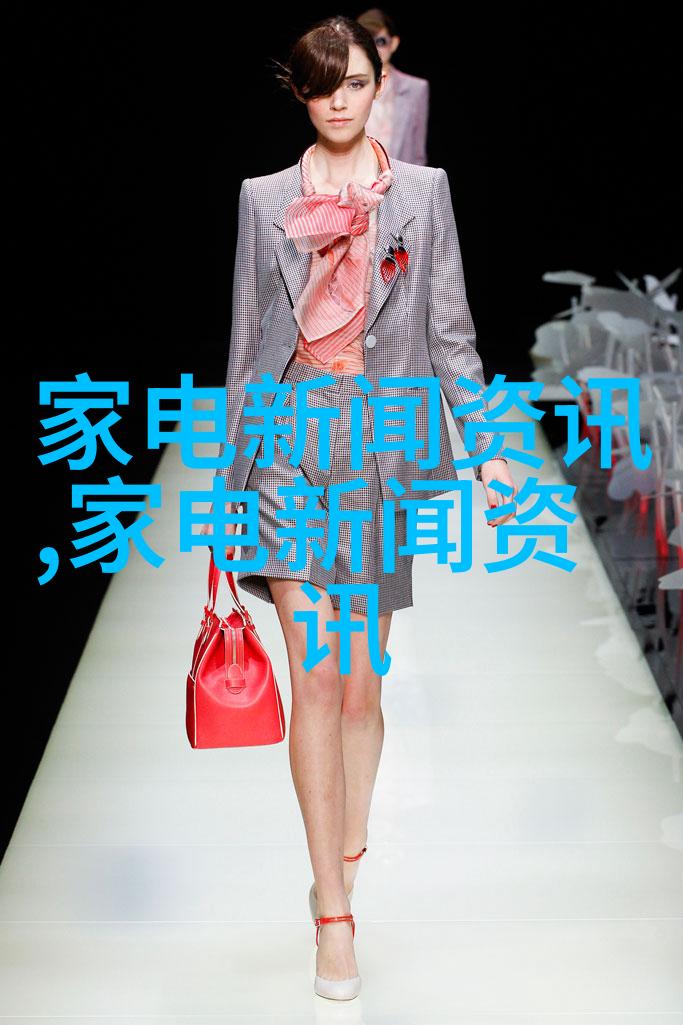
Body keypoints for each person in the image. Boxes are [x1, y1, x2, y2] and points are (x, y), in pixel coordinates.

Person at [203, 14, 517, 1001]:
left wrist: (489, 450)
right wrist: (224, 496)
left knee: (357, 689)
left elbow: (451, 332)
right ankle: (333, 913)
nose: (337, 101)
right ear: (298, 93)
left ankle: (344, 846)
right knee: (316, 673)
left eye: (353, 82)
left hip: (380, 453)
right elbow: (247, 347)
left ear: (379, 85)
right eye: (320, 84)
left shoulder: (421, 193)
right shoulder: (263, 199)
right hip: (287, 448)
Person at [357, 8, 430, 164]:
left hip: (399, 176)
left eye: (380, 41)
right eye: (368, 42)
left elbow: (418, 152)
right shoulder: (346, 86)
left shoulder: (416, 89)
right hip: (355, 175)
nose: (374, 49)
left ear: (394, 43)